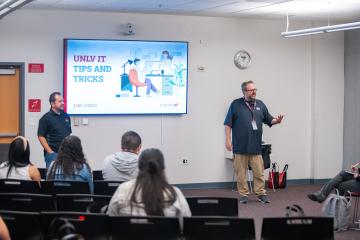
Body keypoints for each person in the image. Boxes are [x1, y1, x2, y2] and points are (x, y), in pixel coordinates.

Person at [224, 81, 284, 204]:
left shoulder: (260, 104)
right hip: (240, 147)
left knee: (259, 172)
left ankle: (261, 193)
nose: (254, 92)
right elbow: (228, 124)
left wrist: (277, 121)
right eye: (251, 90)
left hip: (256, 146)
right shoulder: (235, 104)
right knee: (241, 173)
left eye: (255, 89)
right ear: (244, 91)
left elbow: (269, 119)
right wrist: (227, 140)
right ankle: (243, 195)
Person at [107, 148, 191, 218]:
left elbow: (110, 219)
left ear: (139, 167)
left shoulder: (123, 189)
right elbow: (187, 225)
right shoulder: (174, 194)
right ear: (163, 168)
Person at [38, 92, 72, 168]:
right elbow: (40, 136)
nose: (63, 103)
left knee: (66, 177)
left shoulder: (66, 116)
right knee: (52, 178)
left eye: (63, 101)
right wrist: (50, 152)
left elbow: (69, 134)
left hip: (66, 154)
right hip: (53, 155)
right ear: (52, 104)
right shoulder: (45, 118)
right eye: (60, 101)